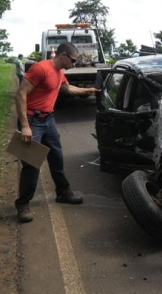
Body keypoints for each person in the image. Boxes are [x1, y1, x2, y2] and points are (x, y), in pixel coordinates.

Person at [15, 42, 99, 223]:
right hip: (32, 121)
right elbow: (21, 94)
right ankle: (23, 204)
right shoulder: (40, 69)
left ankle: (63, 192)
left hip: (48, 120)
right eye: (74, 60)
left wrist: (88, 91)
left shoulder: (60, 72)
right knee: (31, 165)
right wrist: (25, 126)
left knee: (57, 158)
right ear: (63, 55)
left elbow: (67, 89)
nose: (75, 64)